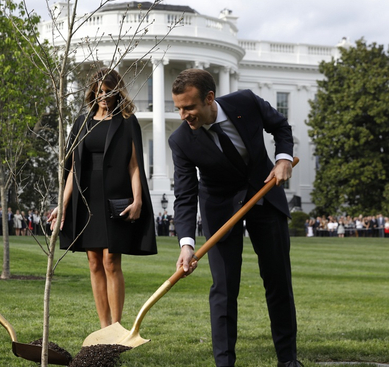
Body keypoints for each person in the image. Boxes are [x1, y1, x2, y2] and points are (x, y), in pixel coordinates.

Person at [169, 68, 301, 367]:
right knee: (224, 288)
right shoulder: (181, 141)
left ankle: (288, 360)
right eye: (178, 108)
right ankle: (225, 363)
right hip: (220, 207)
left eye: (188, 107)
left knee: (278, 280)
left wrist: (282, 159)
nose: (183, 115)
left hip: (264, 192)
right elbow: (186, 195)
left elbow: (280, 127)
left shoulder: (246, 102)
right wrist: (186, 243)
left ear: (209, 98)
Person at [48, 68, 157, 328]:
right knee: (94, 261)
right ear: (92, 93)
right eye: (99, 92)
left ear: (118, 91)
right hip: (86, 199)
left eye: (108, 92)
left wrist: (138, 199)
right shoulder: (81, 123)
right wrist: (62, 205)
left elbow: (134, 165)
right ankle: (104, 326)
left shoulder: (128, 121)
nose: (103, 97)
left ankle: (117, 327)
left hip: (115, 197)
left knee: (111, 260)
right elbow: (72, 168)